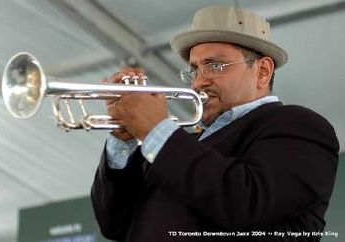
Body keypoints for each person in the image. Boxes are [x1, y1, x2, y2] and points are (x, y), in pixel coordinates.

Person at [90, 5, 339, 242]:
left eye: (214, 65)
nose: (198, 83)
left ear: (262, 71)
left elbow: (247, 205)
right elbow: (114, 224)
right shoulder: (176, 146)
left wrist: (157, 130)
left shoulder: (300, 126)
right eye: (194, 70)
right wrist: (124, 140)